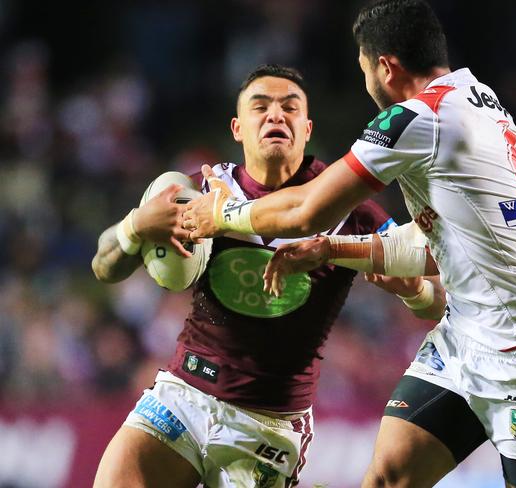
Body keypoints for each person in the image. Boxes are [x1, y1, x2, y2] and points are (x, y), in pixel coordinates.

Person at [181, 2, 516, 487]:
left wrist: (219, 213)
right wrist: (331, 250)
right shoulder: (482, 101)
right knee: (388, 479)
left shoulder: (418, 119)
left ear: (386, 66)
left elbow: (306, 210)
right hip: (463, 341)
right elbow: (441, 249)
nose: (366, 86)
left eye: (364, 71)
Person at [91, 64, 441, 488]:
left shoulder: (350, 209)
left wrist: (416, 292)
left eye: (289, 108)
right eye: (261, 107)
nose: (276, 115)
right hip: (182, 397)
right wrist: (134, 227)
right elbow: (104, 267)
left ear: (307, 128)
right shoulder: (200, 191)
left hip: (268, 427)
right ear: (238, 128)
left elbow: (439, 286)